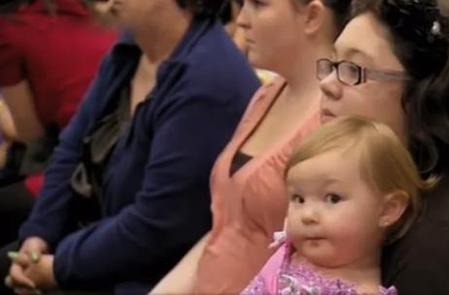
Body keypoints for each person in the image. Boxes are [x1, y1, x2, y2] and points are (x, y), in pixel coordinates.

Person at [2, 0, 260, 294]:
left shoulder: (208, 80)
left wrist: (57, 266)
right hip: (100, 244)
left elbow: (157, 224)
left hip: (150, 275)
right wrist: (37, 237)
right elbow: (70, 150)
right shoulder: (130, 49)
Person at [150, 1, 352, 294]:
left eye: (258, 4)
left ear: (312, 16)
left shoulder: (333, 121)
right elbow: (226, 229)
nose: (241, 20)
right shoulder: (266, 95)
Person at [317, 0, 449, 293]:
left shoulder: (433, 245)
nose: (328, 84)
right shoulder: (360, 182)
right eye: (332, 64)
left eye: (354, 69)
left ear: (423, 93)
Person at [242, 116, 434, 295]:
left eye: (332, 198)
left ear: (388, 210)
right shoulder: (287, 253)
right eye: (298, 199)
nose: (307, 215)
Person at [0, 0, 117, 246]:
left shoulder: (15, 30)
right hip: (96, 167)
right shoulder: (110, 19)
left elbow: (29, 133)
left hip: (87, 176)